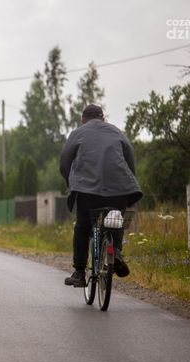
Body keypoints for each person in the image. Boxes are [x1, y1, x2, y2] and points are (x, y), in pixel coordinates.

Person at [59, 104, 142, 287]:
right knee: (115, 219)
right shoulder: (116, 131)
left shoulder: (78, 133)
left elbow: (64, 162)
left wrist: (70, 183)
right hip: (119, 188)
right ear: (103, 117)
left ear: (83, 119)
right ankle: (116, 251)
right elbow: (129, 157)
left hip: (87, 190)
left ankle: (79, 272)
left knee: (82, 226)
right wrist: (129, 182)